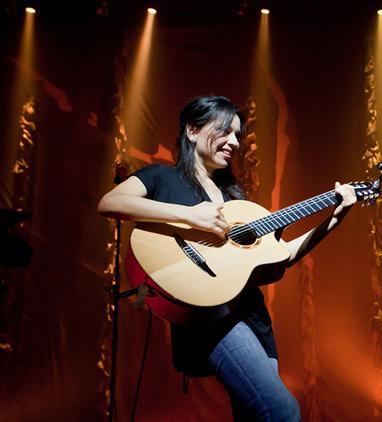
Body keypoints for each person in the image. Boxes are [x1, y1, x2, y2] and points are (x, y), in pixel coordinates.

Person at [98, 95, 356, 421]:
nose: (235, 142)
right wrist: (192, 217)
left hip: (254, 322)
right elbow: (110, 202)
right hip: (211, 320)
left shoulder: (237, 200)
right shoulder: (162, 177)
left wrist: (334, 219)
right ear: (192, 130)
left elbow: (284, 255)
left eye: (238, 135)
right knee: (282, 411)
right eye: (225, 132)